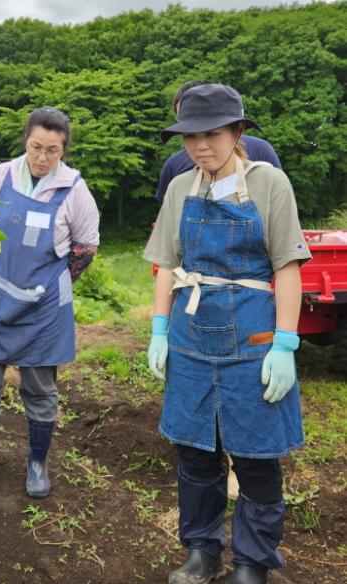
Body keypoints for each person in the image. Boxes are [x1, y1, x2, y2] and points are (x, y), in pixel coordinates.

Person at [143, 84, 311, 584]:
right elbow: (167, 266)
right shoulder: (179, 188)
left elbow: (287, 268)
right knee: (195, 453)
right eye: (190, 136)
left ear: (237, 132)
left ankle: (253, 563)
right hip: (192, 336)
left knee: (256, 458)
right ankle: (203, 551)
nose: (200, 146)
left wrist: (285, 343)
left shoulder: (269, 184)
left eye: (212, 134)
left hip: (254, 339)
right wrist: (158, 328)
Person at [0, 107, 100, 498]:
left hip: (43, 307)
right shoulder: (1, 175)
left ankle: (37, 462)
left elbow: (85, 246)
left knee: (39, 389)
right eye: (36, 147)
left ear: (64, 149)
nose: (42, 158)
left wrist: (49, 284)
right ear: (25, 142)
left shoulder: (74, 190)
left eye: (53, 150)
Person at [155, 80, 282, 204]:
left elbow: (278, 202)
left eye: (212, 133)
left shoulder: (260, 150)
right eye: (184, 117)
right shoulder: (173, 165)